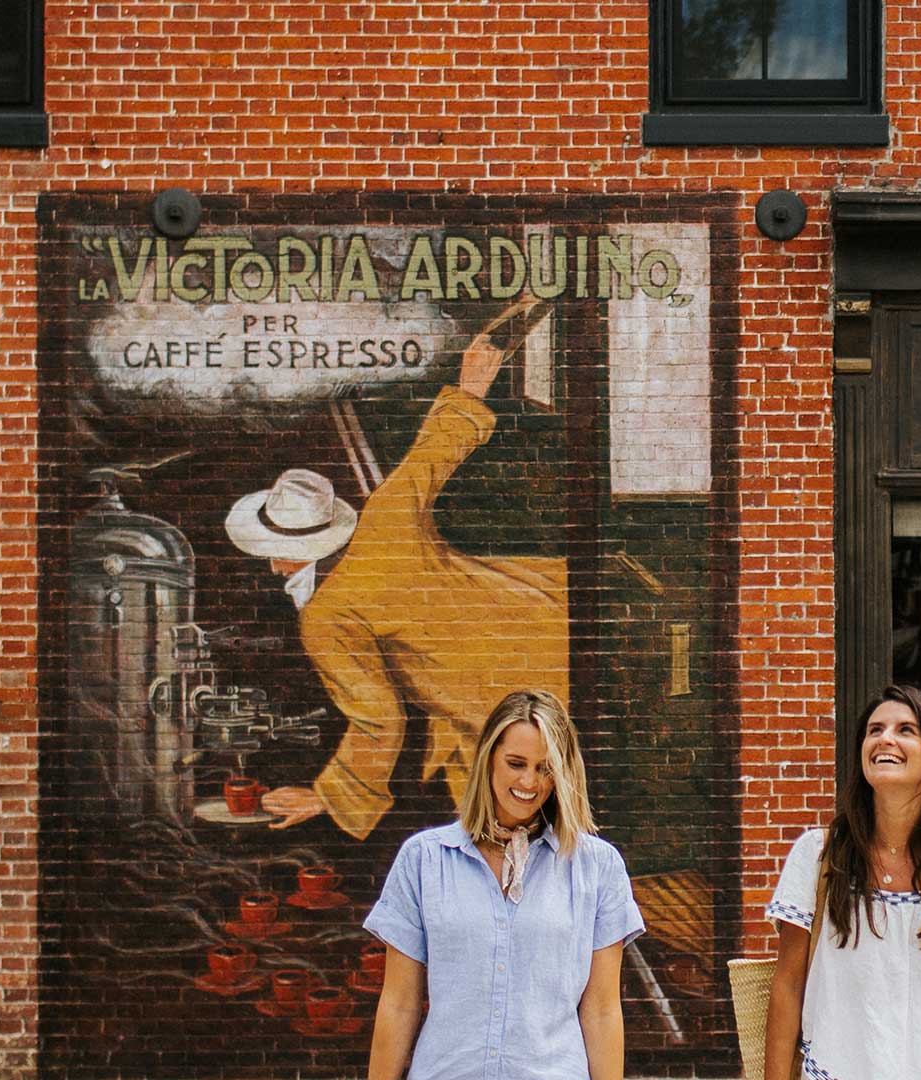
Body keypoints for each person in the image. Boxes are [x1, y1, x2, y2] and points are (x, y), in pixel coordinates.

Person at [229, 315, 570, 840]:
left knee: (516, 826)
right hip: (550, 614)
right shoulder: (385, 516)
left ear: (279, 555)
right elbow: (435, 449)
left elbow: (380, 720)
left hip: (501, 700)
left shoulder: (325, 617)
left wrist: (326, 796)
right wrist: (473, 377)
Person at [364, 690, 643, 1080]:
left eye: (546, 768)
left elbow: (601, 1010)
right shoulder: (424, 860)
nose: (529, 781)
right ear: (489, 759)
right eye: (516, 763)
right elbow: (399, 1002)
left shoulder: (597, 868)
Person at [763, 686, 921, 1080]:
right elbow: (788, 986)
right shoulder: (819, 855)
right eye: (874, 730)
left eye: (906, 730)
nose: (885, 738)